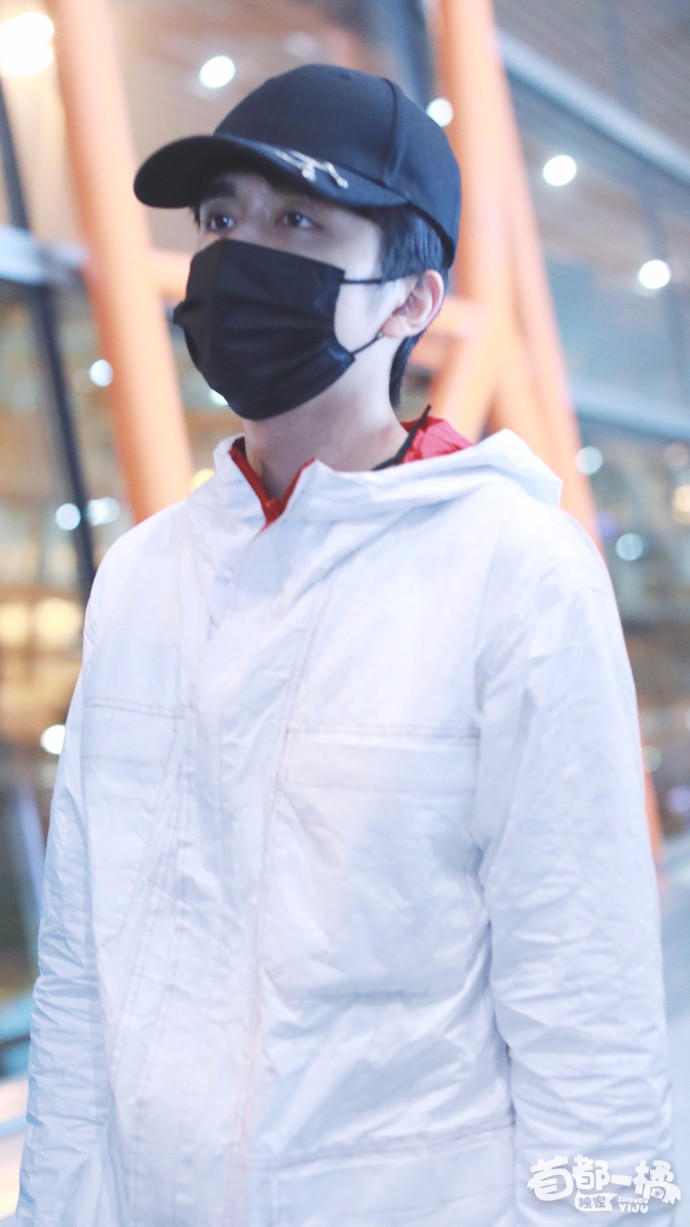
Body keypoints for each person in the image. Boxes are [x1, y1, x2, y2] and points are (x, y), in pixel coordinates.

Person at [15, 63, 677, 1227]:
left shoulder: (517, 574)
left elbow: (590, 1016)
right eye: (221, 219)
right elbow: (79, 970)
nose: (239, 255)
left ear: (412, 300)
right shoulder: (144, 578)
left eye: (298, 223)